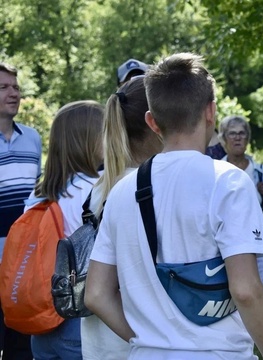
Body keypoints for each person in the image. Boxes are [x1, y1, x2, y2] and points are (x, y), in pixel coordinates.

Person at [85, 52, 263, 359]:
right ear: (212, 112)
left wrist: (148, 341)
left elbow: (97, 294)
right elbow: (246, 290)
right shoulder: (228, 181)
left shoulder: (122, 190)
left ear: (153, 121)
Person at [80, 76, 162, 360]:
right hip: (135, 341)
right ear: (155, 123)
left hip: (99, 340)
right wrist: (148, 341)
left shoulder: (102, 186)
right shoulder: (147, 188)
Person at [24, 100, 103, 360]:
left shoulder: (39, 193)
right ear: (88, 139)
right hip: (80, 318)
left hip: (42, 317)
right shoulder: (96, 189)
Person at [0, 62, 41, 360]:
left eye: (15, 87)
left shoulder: (33, 138)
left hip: (24, 263)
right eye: (3, 88)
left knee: (21, 348)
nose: (13, 93)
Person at [218, 115, 263, 289]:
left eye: (242, 133)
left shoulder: (261, 171)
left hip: (258, 238)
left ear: (247, 138)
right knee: (231, 290)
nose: (238, 138)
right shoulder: (216, 171)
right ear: (224, 139)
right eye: (232, 134)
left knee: (260, 289)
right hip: (227, 240)